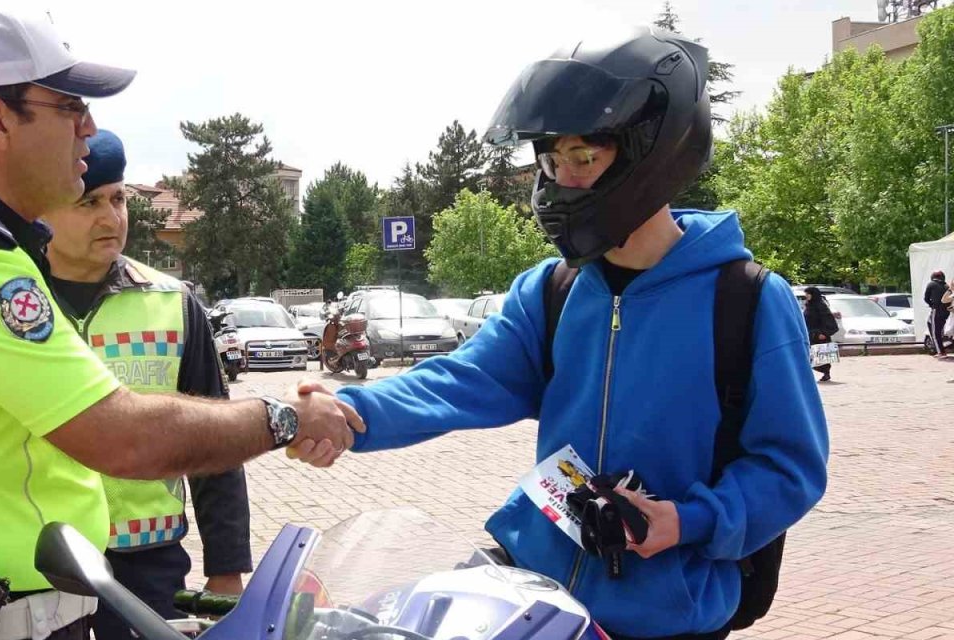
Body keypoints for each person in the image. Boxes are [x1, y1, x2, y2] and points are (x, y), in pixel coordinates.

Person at [0, 12, 359, 640]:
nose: (89, 129)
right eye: (70, 106)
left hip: (29, 610)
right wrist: (284, 417)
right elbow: (121, 437)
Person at [306, 28, 829, 640]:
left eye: (585, 158)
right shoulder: (550, 292)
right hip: (534, 598)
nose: (563, 181)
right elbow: (461, 380)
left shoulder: (745, 299)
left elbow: (789, 466)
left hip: (668, 615)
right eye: (552, 161)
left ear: (649, 152)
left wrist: (687, 521)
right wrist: (349, 410)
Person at [40, 130, 253, 637]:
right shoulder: (13, 302)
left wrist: (226, 568)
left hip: (148, 563)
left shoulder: (173, 304)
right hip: (39, 559)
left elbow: (214, 441)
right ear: (43, 210)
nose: (111, 218)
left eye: (118, 199)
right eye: (88, 201)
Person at [802, 287, 838, 382]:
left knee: (821, 358)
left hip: (820, 336)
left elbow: (829, 321)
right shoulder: (809, 305)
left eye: (808, 294)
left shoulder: (821, 306)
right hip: (810, 335)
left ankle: (826, 373)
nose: (806, 296)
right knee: (809, 356)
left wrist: (824, 333)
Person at [925, 270, 949, 357]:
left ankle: (940, 352)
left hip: (936, 310)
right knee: (931, 323)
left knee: (935, 332)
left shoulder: (931, 284)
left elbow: (926, 298)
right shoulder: (946, 285)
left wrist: (931, 305)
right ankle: (940, 346)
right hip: (946, 311)